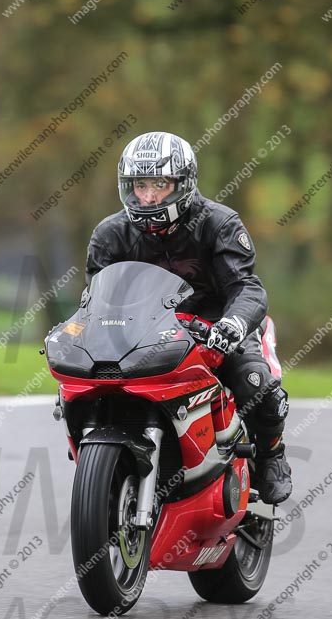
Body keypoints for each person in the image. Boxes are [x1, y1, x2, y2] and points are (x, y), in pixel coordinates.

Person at [84, 131, 292, 505]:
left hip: (213, 328)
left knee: (254, 379)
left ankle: (271, 455)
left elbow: (246, 287)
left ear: (184, 183)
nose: (148, 196)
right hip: (144, 334)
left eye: (160, 185)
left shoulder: (219, 223)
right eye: (140, 185)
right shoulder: (109, 234)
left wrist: (232, 326)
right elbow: (97, 298)